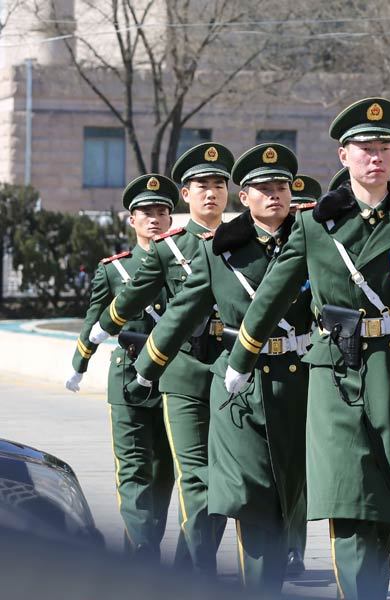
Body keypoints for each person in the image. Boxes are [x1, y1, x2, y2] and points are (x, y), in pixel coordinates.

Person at [225, 97, 390, 600]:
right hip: (336, 375)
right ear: (343, 156)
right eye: (365, 148)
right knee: (350, 504)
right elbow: (275, 291)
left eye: (384, 147)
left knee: (382, 505)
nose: (376, 156)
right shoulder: (313, 224)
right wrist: (243, 356)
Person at [129, 143, 310, 593]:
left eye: (282, 187)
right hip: (238, 388)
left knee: (291, 496)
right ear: (245, 197)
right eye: (263, 188)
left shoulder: (316, 242)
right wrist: (146, 368)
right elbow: (183, 311)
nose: (275, 195)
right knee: (247, 496)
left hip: (302, 381)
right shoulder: (220, 252)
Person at [89, 143, 235, 574]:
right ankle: (181, 568)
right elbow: (134, 300)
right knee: (193, 477)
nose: (211, 194)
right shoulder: (168, 249)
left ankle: (189, 564)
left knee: (221, 479)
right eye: (201, 186)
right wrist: (101, 333)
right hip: (183, 369)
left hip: (231, 368)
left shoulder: (245, 241)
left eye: (218, 185)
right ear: (186, 195)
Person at [65, 174, 185, 562]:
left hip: (172, 375)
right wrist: (79, 362)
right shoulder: (114, 270)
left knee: (165, 469)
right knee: (132, 466)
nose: (155, 219)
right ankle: (143, 544)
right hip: (128, 377)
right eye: (146, 213)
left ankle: (149, 537)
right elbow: (93, 319)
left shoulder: (184, 264)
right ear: (130, 220)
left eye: (162, 212)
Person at [285, 172, 322, 577]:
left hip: (310, 368)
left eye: (305, 209)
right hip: (267, 370)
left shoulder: (323, 253)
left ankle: (294, 545)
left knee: (299, 467)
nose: (297, 215)